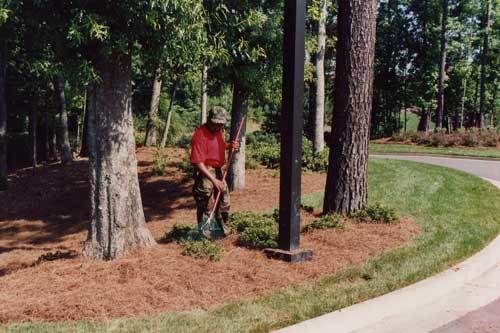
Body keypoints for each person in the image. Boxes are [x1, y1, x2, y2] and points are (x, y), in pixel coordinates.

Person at [190, 106, 239, 238]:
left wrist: (230, 146)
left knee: (224, 202)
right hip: (205, 172)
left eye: (221, 124)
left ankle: (221, 230)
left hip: (218, 170)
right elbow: (198, 162)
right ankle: (205, 235)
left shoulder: (219, 131)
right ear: (209, 120)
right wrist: (213, 180)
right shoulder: (199, 135)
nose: (218, 126)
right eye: (215, 123)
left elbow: (220, 146)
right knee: (207, 205)